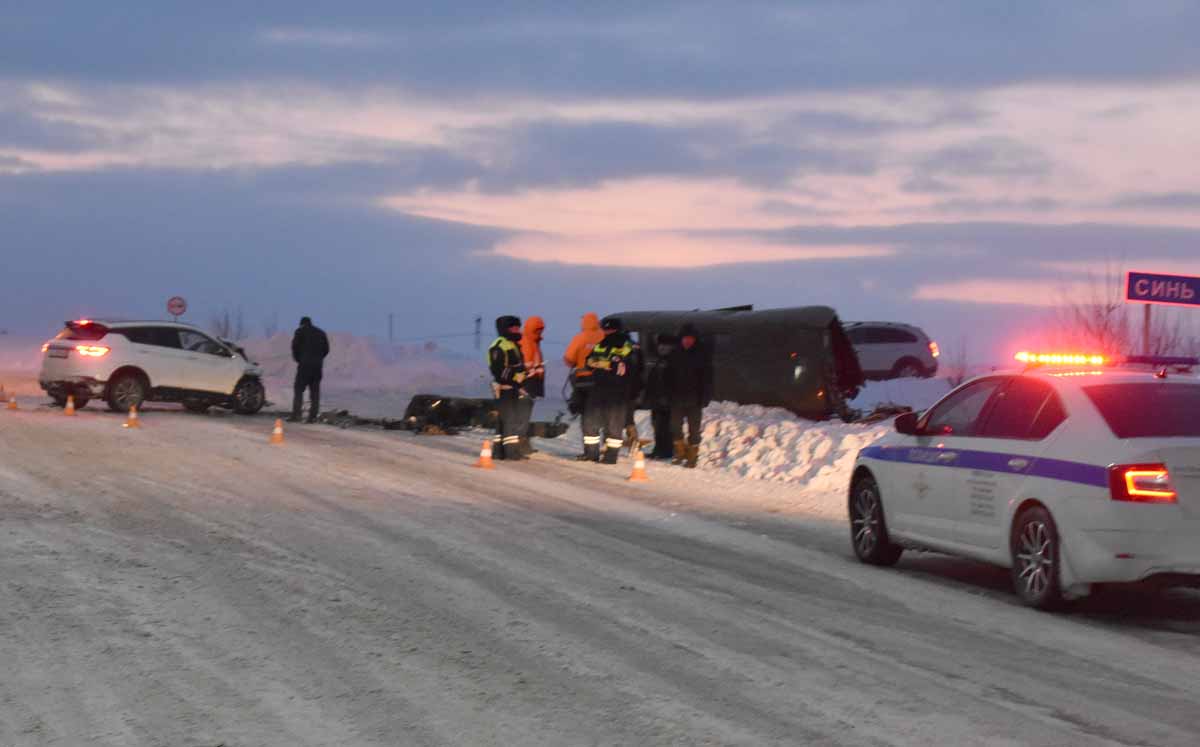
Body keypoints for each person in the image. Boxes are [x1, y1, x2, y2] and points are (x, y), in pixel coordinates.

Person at [583, 317, 634, 464]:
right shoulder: (600, 345)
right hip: (598, 387)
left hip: (617, 390)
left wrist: (600, 364)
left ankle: (611, 456)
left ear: (617, 330)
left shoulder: (626, 346)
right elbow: (588, 362)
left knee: (614, 424)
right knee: (590, 422)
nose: (607, 332)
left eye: (610, 329)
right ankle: (591, 454)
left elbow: (620, 368)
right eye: (605, 330)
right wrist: (606, 364)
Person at [667, 322, 713, 468]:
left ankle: (692, 457)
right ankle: (680, 453)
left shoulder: (702, 355)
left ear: (695, 339)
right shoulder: (674, 355)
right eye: (685, 338)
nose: (687, 341)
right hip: (676, 398)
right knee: (675, 426)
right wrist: (667, 394)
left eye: (690, 338)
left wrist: (705, 396)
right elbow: (668, 377)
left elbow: (707, 378)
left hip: (695, 399)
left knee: (694, 429)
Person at [488, 315, 532, 461]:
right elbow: (499, 370)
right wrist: (517, 377)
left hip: (512, 388)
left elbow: (515, 367)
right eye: (513, 327)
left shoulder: (513, 345)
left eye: (518, 327)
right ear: (504, 328)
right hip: (504, 388)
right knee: (510, 419)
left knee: (504, 420)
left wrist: (524, 372)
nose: (517, 330)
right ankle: (511, 452)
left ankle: (498, 451)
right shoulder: (499, 345)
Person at [563, 312, 605, 458]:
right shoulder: (604, 336)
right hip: (602, 383)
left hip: (583, 382)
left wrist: (578, 361)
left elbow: (568, 358)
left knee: (587, 418)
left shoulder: (580, 338)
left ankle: (591, 452)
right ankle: (601, 449)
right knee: (599, 416)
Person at [643, 333, 677, 459]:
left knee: (665, 427)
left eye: (665, 346)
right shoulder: (659, 361)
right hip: (656, 399)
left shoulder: (672, 361)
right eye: (660, 345)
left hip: (667, 401)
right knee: (657, 426)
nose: (662, 348)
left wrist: (667, 397)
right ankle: (659, 449)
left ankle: (666, 451)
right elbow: (652, 381)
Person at [290, 316, 330, 423]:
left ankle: (296, 415)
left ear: (302, 324)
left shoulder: (300, 331)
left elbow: (295, 347)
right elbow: (326, 349)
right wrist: (318, 358)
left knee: (298, 389)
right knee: (315, 392)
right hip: (317, 367)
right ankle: (312, 417)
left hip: (304, 365)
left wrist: (299, 359)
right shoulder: (321, 333)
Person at [518, 316, 546, 456]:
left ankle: (522, 442)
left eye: (541, 330)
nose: (540, 332)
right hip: (526, 383)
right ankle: (519, 444)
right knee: (522, 414)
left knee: (525, 414)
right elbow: (526, 364)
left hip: (532, 383)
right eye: (538, 329)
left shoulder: (534, 343)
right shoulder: (525, 341)